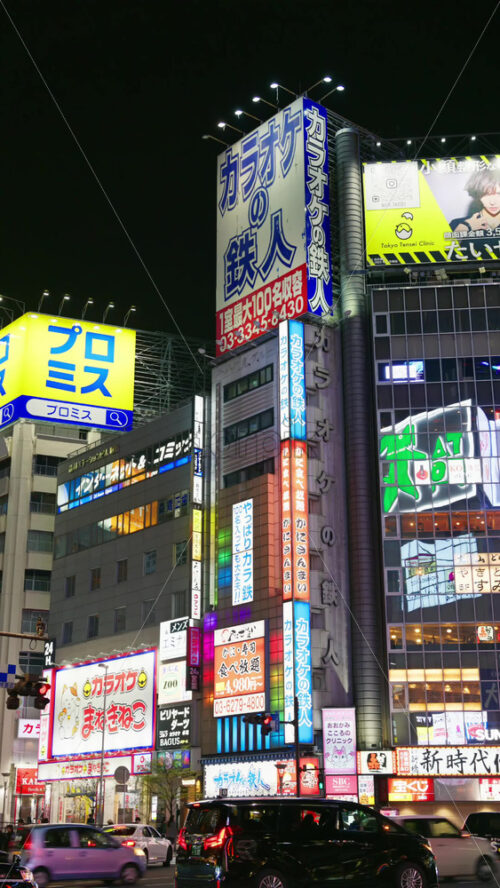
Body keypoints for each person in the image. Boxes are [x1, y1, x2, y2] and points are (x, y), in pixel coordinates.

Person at [450, 168, 500, 234]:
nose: (492, 202)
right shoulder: (457, 224)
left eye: (499, 194)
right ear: (478, 194)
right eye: (485, 194)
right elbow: (446, 244)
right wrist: (464, 228)